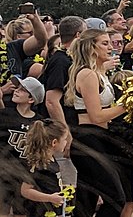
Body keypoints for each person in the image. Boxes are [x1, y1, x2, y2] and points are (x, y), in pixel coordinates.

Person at [65, 29, 130, 217]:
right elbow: (97, 116)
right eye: (104, 43)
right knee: (115, 198)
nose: (110, 47)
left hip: (99, 137)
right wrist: (128, 103)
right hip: (88, 138)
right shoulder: (87, 75)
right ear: (91, 47)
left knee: (86, 200)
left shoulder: (97, 73)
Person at [40, 16, 87, 155]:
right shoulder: (61, 61)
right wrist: (65, 133)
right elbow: (51, 101)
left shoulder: (70, 58)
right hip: (59, 131)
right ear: (78, 35)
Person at [0, 77, 45, 217]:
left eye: (22, 90)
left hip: (26, 175)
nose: (16, 91)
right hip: (4, 172)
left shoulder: (39, 122)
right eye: (17, 88)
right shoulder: (5, 114)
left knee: (22, 212)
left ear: (31, 99)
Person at [20, 119, 72, 217]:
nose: (66, 142)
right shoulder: (38, 163)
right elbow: (25, 191)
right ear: (54, 142)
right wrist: (49, 198)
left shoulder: (52, 159)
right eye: (65, 139)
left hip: (53, 208)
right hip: (40, 211)